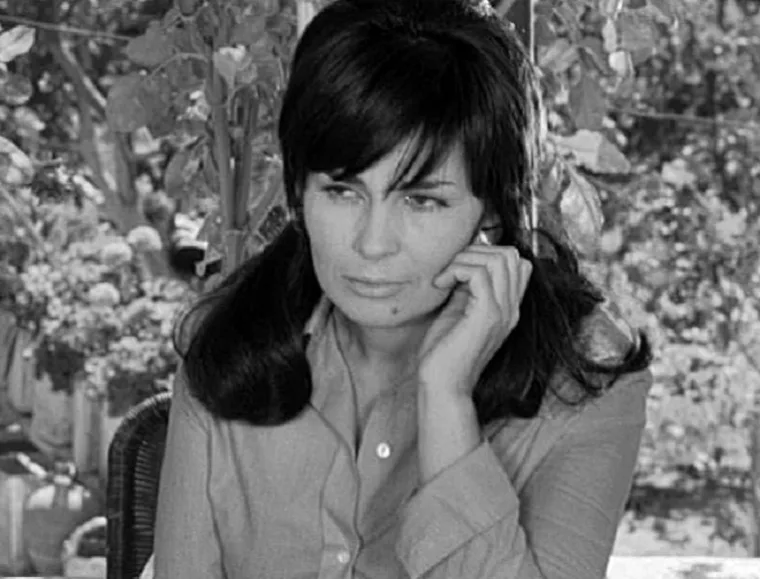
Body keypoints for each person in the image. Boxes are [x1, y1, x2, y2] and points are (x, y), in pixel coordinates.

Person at [151, 0, 654, 577]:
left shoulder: (588, 381)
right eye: (342, 192)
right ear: (299, 193)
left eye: (421, 200)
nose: (372, 244)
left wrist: (446, 400)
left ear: (492, 211)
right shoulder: (228, 344)